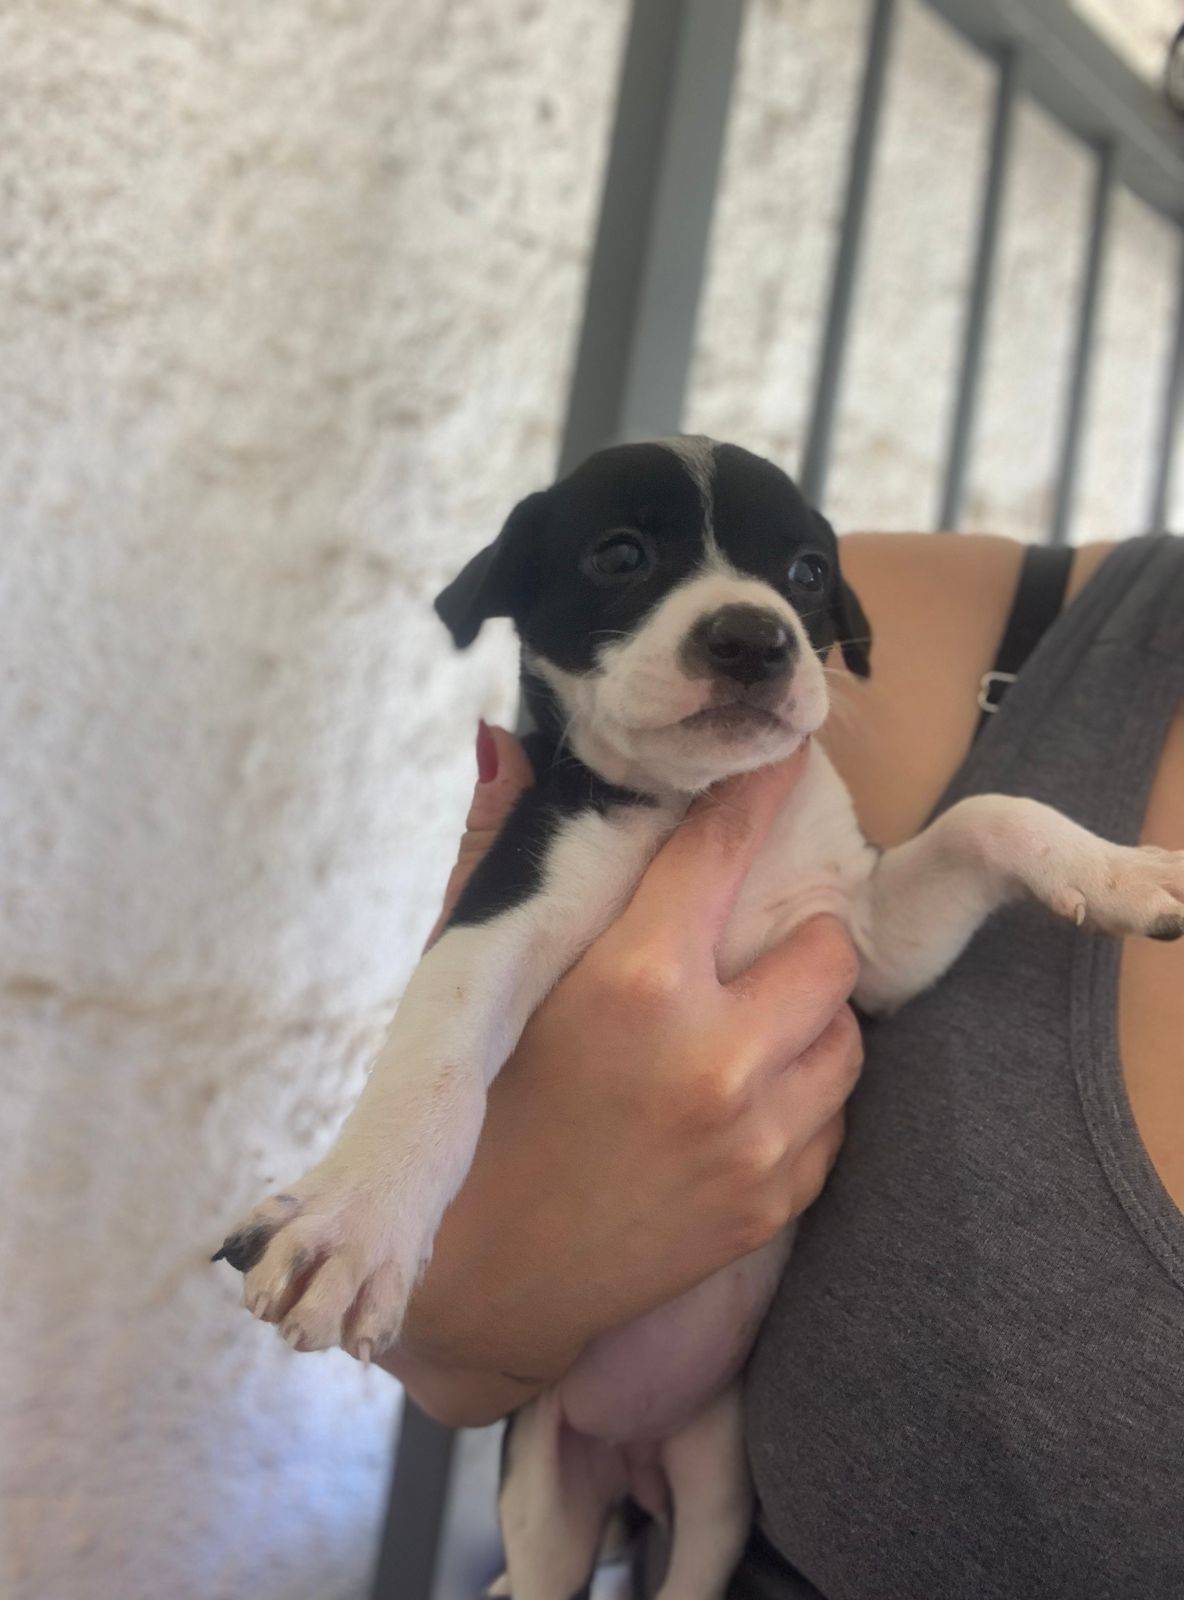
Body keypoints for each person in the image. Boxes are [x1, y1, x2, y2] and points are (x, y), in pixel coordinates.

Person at [383, 531, 1184, 1597]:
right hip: (574, 1410)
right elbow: (437, 1351)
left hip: (698, 1441)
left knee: (696, 1521)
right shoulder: (868, 642)